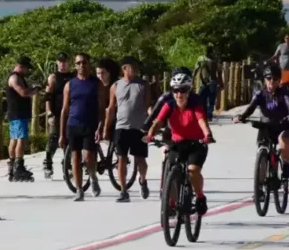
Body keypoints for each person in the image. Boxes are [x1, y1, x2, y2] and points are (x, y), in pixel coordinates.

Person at [144, 70, 214, 216]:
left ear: (188, 91)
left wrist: (207, 134)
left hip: (197, 144)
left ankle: (200, 196)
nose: (179, 94)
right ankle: (172, 203)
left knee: (193, 170)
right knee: (171, 170)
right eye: (176, 90)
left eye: (183, 90)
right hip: (178, 143)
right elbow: (158, 121)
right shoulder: (169, 105)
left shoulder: (195, 105)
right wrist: (150, 133)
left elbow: (202, 121)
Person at [233, 63, 289, 179]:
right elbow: (251, 108)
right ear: (265, 80)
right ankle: (260, 187)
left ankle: (286, 164)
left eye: (275, 78)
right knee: (261, 151)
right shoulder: (260, 94)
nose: (272, 81)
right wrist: (241, 117)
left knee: (284, 139)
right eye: (269, 78)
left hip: (283, 125)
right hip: (266, 126)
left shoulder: (284, 93)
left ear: (280, 80)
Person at [59, 53, 107, 201]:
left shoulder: (96, 83)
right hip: (73, 125)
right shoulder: (70, 84)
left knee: (88, 157)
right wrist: (61, 134)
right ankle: (79, 190)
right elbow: (65, 110)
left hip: (90, 125)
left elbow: (101, 107)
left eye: (84, 62)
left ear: (89, 64)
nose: (81, 65)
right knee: (75, 158)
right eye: (78, 63)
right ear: (75, 65)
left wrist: (101, 127)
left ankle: (93, 177)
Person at [103, 56, 150, 201]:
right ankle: (123, 191)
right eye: (132, 66)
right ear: (124, 68)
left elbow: (148, 106)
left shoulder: (143, 85)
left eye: (136, 66)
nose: (135, 69)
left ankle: (142, 180)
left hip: (139, 128)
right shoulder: (115, 86)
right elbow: (111, 108)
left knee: (140, 160)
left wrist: (152, 122)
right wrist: (106, 128)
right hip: (121, 127)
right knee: (121, 159)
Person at [5, 56, 41, 181]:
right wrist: (34, 91)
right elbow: (22, 93)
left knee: (14, 138)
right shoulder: (14, 78)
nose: (27, 71)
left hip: (17, 113)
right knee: (20, 139)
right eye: (26, 69)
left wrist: (32, 89)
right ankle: (18, 167)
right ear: (21, 66)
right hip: (18, 113)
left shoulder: (19, 78)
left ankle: (13, 165)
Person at [42, 53, 73, 179]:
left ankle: (67, 165)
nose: (63, 64)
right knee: (54, 138)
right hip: (56, 112)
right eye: (60, 61)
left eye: (65, 61)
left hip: (70, 113)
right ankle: (48, 163)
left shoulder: (73, 77)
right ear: (57, 62)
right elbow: (47, 97)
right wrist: (49, 113)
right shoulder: (53, 78)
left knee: (70, 140)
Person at [193, 50, 223, 121]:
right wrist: (221, 84)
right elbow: (219, 74)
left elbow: (195, 70)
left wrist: (192, 80)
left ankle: (203, 114)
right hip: (213, 82)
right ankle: (209, 115)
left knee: (201, 99)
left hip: (203, 83)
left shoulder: (201, 59)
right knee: (211, 100)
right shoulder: (216, 60)